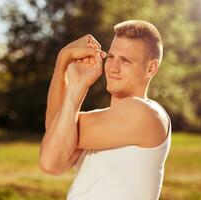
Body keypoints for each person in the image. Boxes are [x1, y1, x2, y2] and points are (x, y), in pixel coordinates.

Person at [39, 20, 172, 200]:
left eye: (125, 60)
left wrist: (74, 81)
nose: (113, 67)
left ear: (151, 68)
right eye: (110, 57)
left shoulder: (145, 114)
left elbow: (50, 152)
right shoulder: (103, 121)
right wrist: (63, 63)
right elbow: (54, 156)